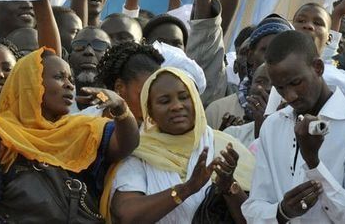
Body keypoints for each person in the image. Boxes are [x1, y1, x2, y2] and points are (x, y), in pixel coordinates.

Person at [0, 47, 140, 220]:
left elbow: (126, 145)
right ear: (31, 84)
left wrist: (121, 108)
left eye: (71, 79)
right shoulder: (0, 129)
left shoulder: (84, 128)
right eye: (59, 77)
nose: (69, 85)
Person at [242, 30, 345, 223]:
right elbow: (254, 207)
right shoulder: (272, 126)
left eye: (296, 82)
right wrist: (282, 211)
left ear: (318, 67)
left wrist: (314, 164)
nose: (290, 95)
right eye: (280, 88)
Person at [109, 67, 255, 224]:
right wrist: (187, 189)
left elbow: (256, 218)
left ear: (196, 101)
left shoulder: (225, 146)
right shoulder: (140, 154)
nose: (177, 106)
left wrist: (229, 186)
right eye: (165, 101)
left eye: (184, 97)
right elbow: (126, 215)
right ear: (149, 112)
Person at [96, 41, 164, 123]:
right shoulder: (83, 124)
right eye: (144, 96)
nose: (152, 107)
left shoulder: (164, 129)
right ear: (119, 88)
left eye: (160, 99)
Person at [68, 26, 112, 108]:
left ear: (111, 57)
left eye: (99, 45)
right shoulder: (56, 100)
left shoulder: (118, 106)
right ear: (70, 58)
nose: (88, 51)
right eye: (79, 45)